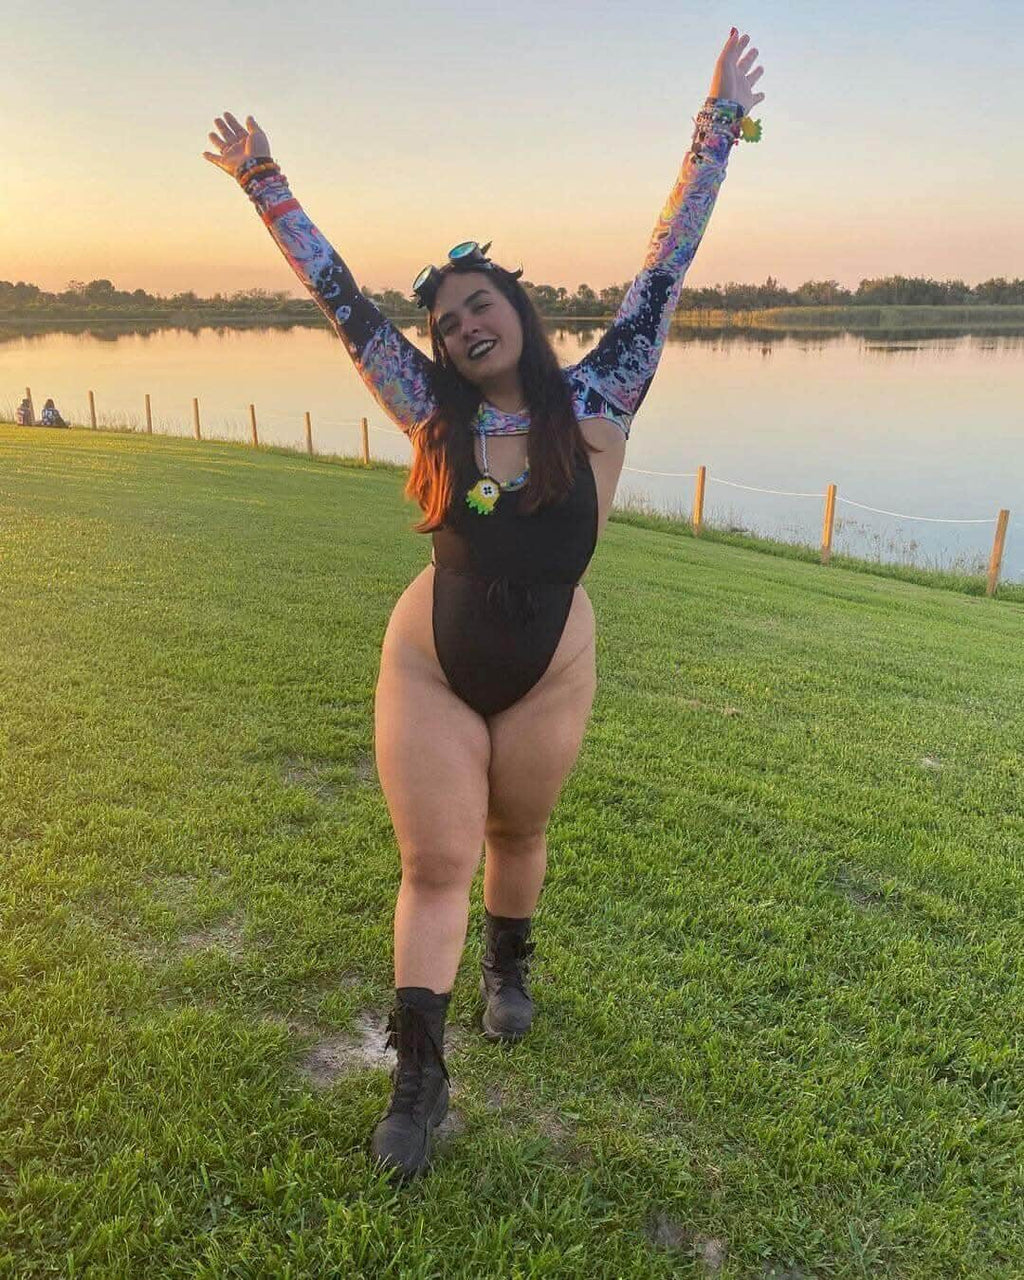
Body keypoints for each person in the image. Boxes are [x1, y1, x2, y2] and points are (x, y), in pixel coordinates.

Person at [203, 26, 765, 1181]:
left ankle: (510, 965)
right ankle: (421, 1075)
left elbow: (669, 258)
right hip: (432, 654)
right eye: (447, 320)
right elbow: (338, 299)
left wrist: (715, 124)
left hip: (552, 656)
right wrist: (266, 180)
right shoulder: (426, 407)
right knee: (436, 855)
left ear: (515, 302)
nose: (463, 323)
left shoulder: (609, 381)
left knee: (518, 833)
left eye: (479, 301)